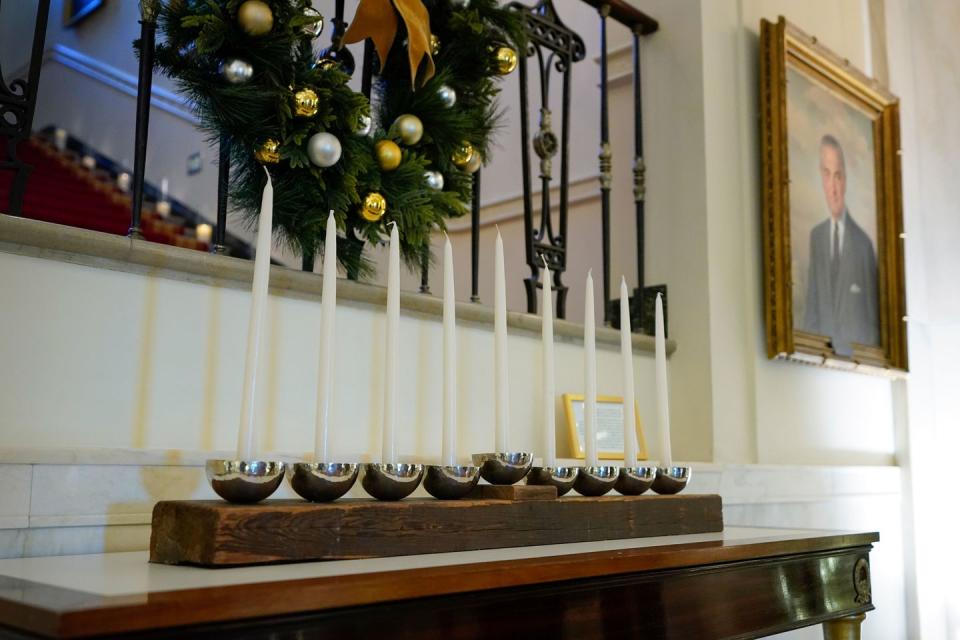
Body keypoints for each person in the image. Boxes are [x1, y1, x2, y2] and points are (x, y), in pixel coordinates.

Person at [802, 134, 879, 355]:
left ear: (844, 180)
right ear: (821, 177)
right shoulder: (816, 238)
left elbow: (873, 325)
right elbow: (812, 313)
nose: (833, 188)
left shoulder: (864, 246)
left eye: (837, 176)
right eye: (827, 175)